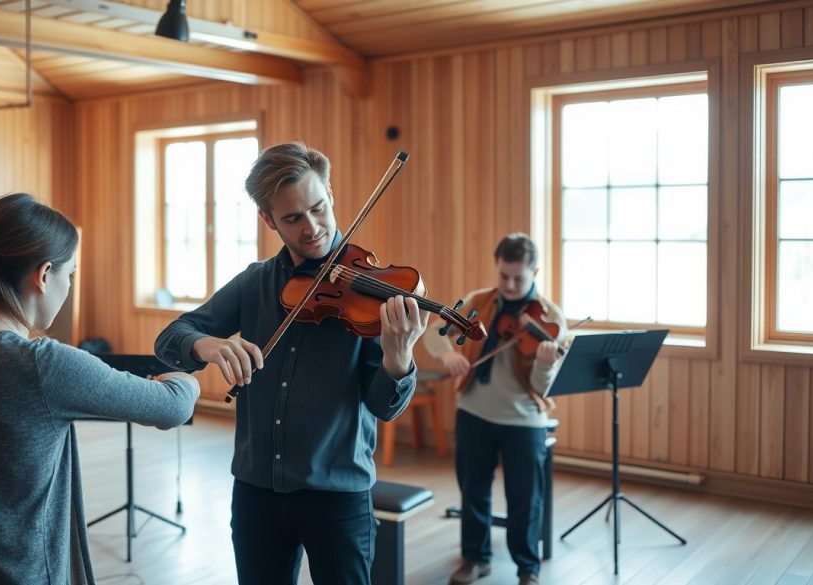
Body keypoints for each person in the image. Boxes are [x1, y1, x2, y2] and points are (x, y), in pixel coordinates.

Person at [155, 141, 430, 585]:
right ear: (268, 220)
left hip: (337, 494)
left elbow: (384, 406)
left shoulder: (371, 289)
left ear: (331, 196)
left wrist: (399, 360)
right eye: (292, 218)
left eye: (319, 208)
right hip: (256, 491)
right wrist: (209, 346)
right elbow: (171, 338)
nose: (313, 228)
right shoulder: (255, 282)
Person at [0, 193, 200, 584]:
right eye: (71, 274)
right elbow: (173, 407)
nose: (68, 284)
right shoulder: (40, 365)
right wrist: (186, 377)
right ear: (44, 275)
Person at [423, 233, 565, 585]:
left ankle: (527, 568)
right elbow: (435, 331)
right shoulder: (478, 301)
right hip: (474, 412)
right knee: (473, 491)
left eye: (519, 277)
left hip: (525, 420)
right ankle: (475, 558)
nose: (510, 285)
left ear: (536, 271)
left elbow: (545, 386)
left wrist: (545, 364)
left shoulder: (550, 317)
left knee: (525, 499)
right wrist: (448, 354)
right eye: (503, 276)